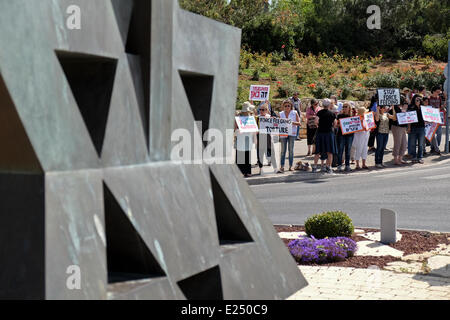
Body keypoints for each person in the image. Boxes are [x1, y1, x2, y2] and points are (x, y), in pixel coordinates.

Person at [312, 99, 337, 174]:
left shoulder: (319, 112)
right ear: (329, 105)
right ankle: (328, 167)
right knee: (330, 152)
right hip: (329, 133)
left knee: (318, 151)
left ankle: (315, 167)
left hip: (320, 133)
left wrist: (319, 126)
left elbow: (316, 121)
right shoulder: (332, 114)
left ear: (323, 105)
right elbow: (335, 123)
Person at [235, 102, 256, 177]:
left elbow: (254, 129)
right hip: (241, 138)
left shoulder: (251, 117)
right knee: (240, 155)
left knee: (247, 155)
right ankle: (241, 172)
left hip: (248, 138)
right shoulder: (238, 118)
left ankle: (247, 171)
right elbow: (235, 128)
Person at [279, 100, 301, 172]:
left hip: (292, 133)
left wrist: (292, 122)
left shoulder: (294, 113)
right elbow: (278, 123)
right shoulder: (281, 113)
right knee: (283, 151)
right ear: (283, 106)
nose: (287, 107)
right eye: (285, 106)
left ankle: (290, 166)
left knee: (291, 150)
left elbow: (299, 123)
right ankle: (282, 166)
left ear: (291, 106)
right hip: (283, 133)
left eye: (288, 106)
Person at [407, 95, 426, 164]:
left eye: (419, 100)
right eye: (416, 100)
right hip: (413, 127)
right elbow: (408, 118)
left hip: (421, 127)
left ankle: (420, 157)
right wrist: (408, 127)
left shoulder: (423, 108)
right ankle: (414, 157)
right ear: (414, 100)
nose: (417, 101)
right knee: (413, 144)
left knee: (421, 144)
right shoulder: (411, 107)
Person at [336, 103, 354, 172]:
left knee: (348, 151)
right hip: (341, 135)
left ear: (349, 108)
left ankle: (347, 165)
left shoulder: (352, 116)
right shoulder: (340, 116)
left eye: (346, 107)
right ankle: (339, 165)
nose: (344, 108)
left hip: (350, 135)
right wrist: (341, 125)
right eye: (343, 107)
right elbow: (336, 125)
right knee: (340, 150)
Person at [390, 99, 408, 165]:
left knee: (404, 143)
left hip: (403, 127)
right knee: (398, 143)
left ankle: (400, 158)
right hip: (397, 126)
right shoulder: (394, 107)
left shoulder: (405, 106)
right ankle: (396, 159)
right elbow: (393, 117)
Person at [256, 103, 272, 175]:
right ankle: (260, 168)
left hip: (267, 136)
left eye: (263, 110)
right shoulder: (257, 117)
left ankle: (269, 161)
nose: (261, 111)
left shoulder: (269, 117)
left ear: (266, 110)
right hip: (259, 136)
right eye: (260, 110)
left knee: (269, 150)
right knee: (260, 152)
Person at [429, 86, 445, 155]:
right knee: (432, 134)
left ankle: (436, 147)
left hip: (438, 117)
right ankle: (434, 148)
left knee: (439, 133)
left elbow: (440, 106)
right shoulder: (429, 98)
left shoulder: (439, 98)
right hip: (431, 118)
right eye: (437, 92)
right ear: (433, 91)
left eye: (439, 92)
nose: (438, 93)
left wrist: (443, 107)